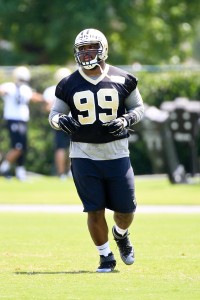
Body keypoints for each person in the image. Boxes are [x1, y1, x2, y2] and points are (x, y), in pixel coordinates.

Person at [49, 28, 144, 272]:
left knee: (126, 210)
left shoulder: (124, 78)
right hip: (83, 154)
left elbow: (139, 108)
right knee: (94, 209)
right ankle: (105, 256)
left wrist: (126, 120)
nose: (86, 52)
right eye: (82, 48)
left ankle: (121, 235)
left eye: (91, 47)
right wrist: (61, 121)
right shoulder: (68, 83)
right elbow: (54, 114)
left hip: (117, 153)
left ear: (103, 49)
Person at [0, 66, 42, 181]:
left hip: (22, 120)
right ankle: (3, 168)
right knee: (18, 147)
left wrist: (45, 99)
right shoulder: (10, 86)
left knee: (22, 147)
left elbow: (34, 97)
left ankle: (20, 171)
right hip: (13, 119)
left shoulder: (24, 88)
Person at [43, 68, 72, 179]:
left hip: (58, 121)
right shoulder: (73, 89)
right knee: (73, 147)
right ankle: (70, 172)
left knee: (61, 148)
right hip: (71, 121)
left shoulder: (51, 90)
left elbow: (48, 107)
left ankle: (62, 175)